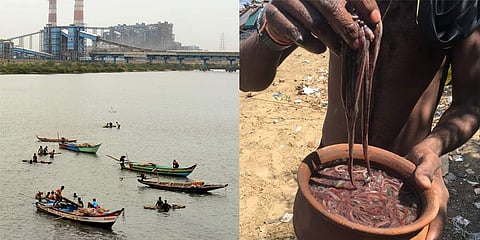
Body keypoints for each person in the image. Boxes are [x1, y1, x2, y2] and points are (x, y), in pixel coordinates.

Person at [240, 1, 480, 239]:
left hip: (406, 184)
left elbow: (471, 102)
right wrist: (272, 33)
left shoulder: (454, 5)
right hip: (327, 177)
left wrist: (432, 148)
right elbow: (247, 78)